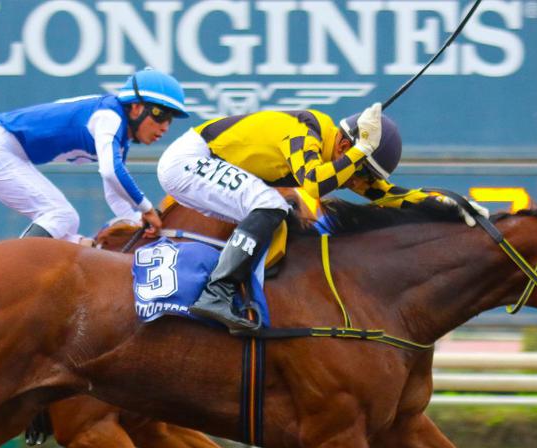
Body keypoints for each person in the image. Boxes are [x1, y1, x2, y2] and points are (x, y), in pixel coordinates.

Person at [157, 102, 488, 332]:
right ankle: (217, 293)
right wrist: (360, 153)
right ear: (343, 144)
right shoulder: (305, 130)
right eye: (359, 170)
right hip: (189, 159)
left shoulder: (339, 151)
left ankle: (237, 295)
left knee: (275, 211)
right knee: (270, 205)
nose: (357, 182)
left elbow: (384, 194)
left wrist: (446, 204)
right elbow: (313, 184)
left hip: (205, 165)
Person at [0, 68, 188, 245]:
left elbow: (115, 192)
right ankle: (13, 269)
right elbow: (111, 172)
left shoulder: (119, 135)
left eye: (171, 119)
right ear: (137, 108)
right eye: (161, 115)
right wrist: (147, 209)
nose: (165, 127)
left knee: (68, 227)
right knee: (60, 215)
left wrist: (137, 223)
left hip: (2, 152)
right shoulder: (109, 117)